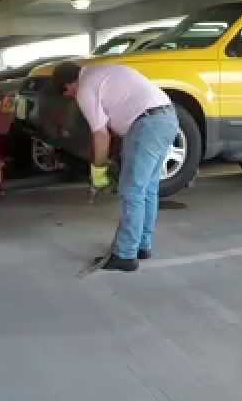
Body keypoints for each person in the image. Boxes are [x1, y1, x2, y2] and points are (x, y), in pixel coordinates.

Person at [51, 61, 179, 272]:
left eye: (68, 95)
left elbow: (101, 134)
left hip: (146, 125)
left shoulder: (84, 89)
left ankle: (125, 255)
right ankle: (141, 245)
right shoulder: (100, 72)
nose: (73, 98)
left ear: (68, 86)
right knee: (148, 189)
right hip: (167, 117)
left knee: (132, 191)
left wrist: (98, 169)